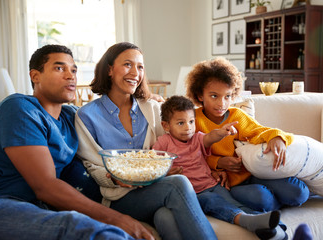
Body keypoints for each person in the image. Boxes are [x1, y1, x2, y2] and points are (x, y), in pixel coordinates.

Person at [0, 44, 154, 240]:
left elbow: (103, 116)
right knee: (90, 230)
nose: (70, 75)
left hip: (43, 207)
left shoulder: (71, 116)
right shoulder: (19, 109)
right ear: (35, 76)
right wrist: (117, 218)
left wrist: (147, 102)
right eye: (60, 68)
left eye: (73, 70)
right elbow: (45, 186)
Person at [75, 42, 217, 240]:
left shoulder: (151, 109)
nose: (135, 72)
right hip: (118, 197)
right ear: (109, 69)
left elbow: (178, 141)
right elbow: (91, 164)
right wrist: (114, 177)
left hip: (155, 188)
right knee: (179, 184)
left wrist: (215, 165)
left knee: (164, 217)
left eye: (140, 67)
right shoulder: (86, 115)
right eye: (127, 64)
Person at [185, 57, 310, 213]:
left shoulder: (236, 115)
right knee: (262, 198)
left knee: (300, 192)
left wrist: (276, 137)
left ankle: (274, 202)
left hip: (252, 173)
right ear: (199, 95)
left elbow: (259, 131)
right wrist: (218, 163)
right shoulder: (192, 120)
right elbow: (188, 155)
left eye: (227, 96)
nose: (221, 104)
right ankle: (272, 204)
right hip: (228, 184)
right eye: (214, 96)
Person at [152, 95, 287, 240]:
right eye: (180, 123)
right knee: (213, 202)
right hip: (194, 193)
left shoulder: (197, 138)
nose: (188, 127)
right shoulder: (163, 142)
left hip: (213, 184)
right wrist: (165, 172)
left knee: (234, 203)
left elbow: (210, 137)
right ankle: (247, 221)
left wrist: (222, 133)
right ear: (166, 126)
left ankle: (274, 227)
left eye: (191, 122)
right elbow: (153, 165)